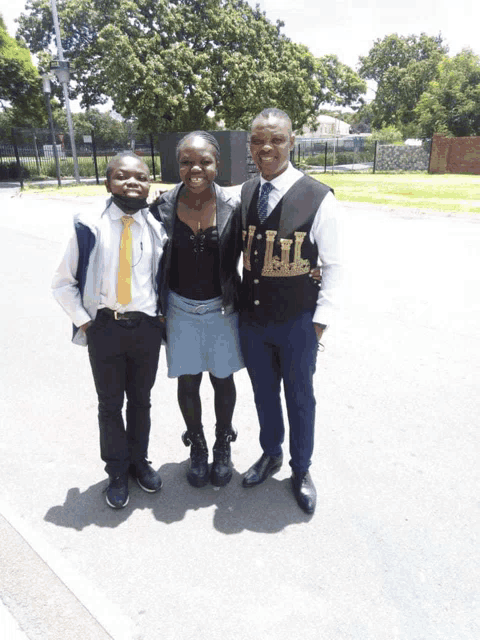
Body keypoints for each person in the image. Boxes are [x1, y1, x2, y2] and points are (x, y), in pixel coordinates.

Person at [239, 108, 343, 515]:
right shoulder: (246, 191)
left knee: (300, 398)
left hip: (299, 321)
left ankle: (301, 469)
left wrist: (319, 324)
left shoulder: (318, 197)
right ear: (250, 144)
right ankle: (271, 454)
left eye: (276, 139)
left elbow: (335, 265)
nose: (266, 147)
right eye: (258, 140)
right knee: (264, 393)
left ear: (292, 141)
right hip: (253, 321)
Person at [52, 152, 167, 509]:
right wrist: (87, 323)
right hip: (105, 328)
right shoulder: (88, 225)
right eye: (122, 176)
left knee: (142, 401)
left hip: (146, 328)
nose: (132, 182)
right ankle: (116, 470)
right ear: (107, 183)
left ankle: (139, 462)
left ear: (149, 184)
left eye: (141, 177)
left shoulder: (159, 225)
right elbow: (62, 283)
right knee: (109, 404)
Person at [151, 131, 244, 488]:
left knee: (223, 379)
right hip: (179, 308)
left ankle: (223, 443)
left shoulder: (234, 207)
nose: (195, 168)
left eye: (204, 161)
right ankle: (198, 444)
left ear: (217, 164)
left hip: (221, 309)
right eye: (187, 161)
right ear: (179, 165)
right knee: (188, 381)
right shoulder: (161, 206)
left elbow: (255, 252)